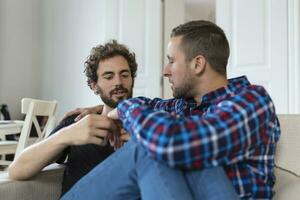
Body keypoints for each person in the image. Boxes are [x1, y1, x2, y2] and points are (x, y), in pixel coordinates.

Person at [62, 20, 280, 200]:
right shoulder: (185, 106)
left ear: (198, 64)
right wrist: (104, 108)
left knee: (151, 146)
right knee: (153, 142)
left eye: (171, 61)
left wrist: (125, 108)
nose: (165, 72)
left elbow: (171, 142)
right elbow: (148, 105)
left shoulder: (251, 101)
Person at [8, 40, 137, 196]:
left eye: (125, 75)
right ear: (94, 86)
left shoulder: (151, 126)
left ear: (132, 79)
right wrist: (67, 135)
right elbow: (17, 170)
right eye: (109, 77)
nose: (118, 82)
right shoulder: (78, 121)